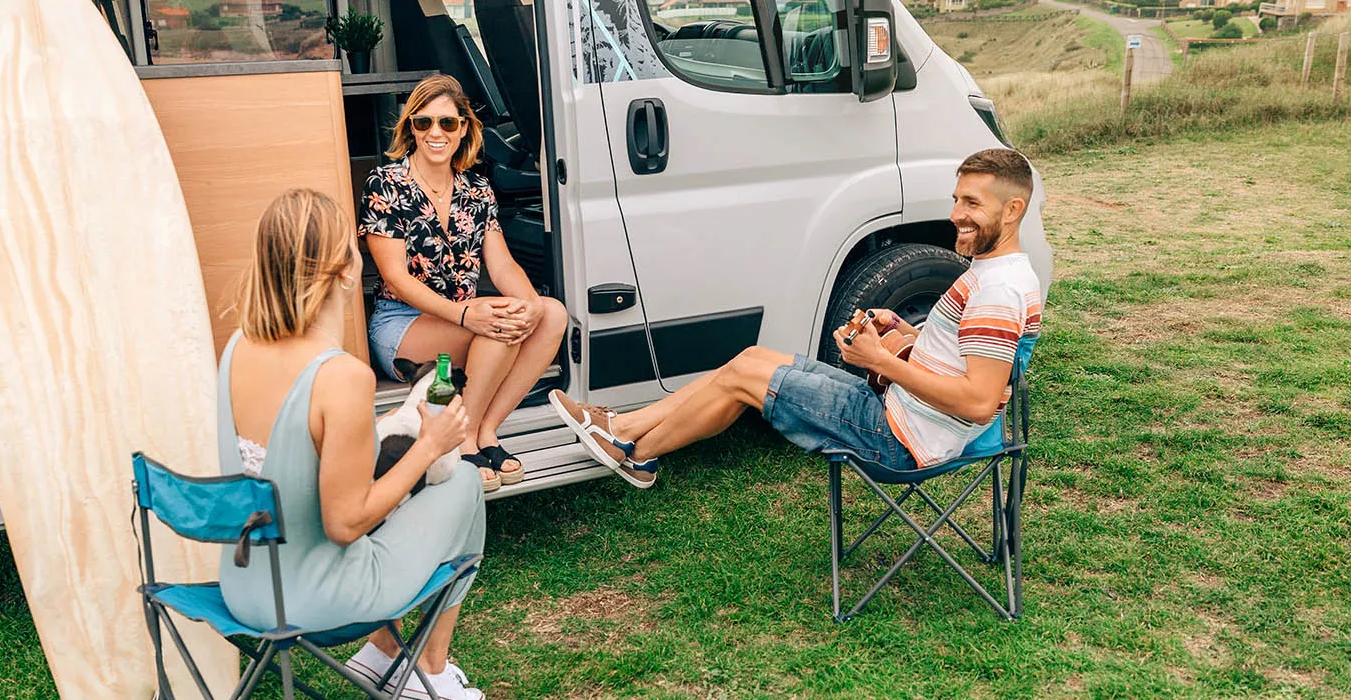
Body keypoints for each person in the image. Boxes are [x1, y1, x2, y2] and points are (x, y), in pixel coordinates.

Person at [549, 149, 1044, 487]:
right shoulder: (997, 273)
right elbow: (967, 356)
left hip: (900, 439)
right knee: (751, 358)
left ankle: (631, 443)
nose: (956, 213)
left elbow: (979, 402)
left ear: (1013, 209)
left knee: (746, 376)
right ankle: (629, 439)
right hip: (903, 413)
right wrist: (904, 331)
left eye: (972, 203)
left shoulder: (996, 292)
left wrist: (881, 361)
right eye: (957, 199)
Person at [218, 188, 488, 699]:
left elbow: (295, 456)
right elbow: (345, 524)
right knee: (466, 480)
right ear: (346, 270)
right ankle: (424, 671)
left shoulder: (237, 348)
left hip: (246, 586)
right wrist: (430, 446)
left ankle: (384, 657)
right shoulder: (342, 376)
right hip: (316, 599)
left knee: (403, 480)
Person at [360, 74, 569, 492]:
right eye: (424, 123)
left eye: (447, 123)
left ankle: (487, 429)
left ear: (464, 129)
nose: (435, 133)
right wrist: (466, 314)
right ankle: (465, 439)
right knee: (494, 324)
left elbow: (502, 262)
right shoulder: (385, 183)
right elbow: (396, 280)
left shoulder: (476, 188)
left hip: (463, 316)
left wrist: (528, 302)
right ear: (411, 129)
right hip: (402, 323)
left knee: (551, 314)